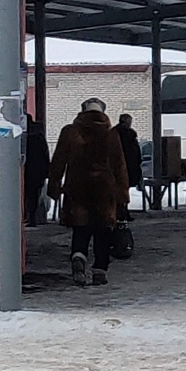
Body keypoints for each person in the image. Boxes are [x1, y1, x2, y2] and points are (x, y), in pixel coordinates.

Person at [46, 98, 128, 287]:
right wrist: (122, 193)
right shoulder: (111, 134)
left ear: (82, 111)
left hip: (77, 187)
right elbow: (120, 166)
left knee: (80, 228)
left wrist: (54, 186)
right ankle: (99, 270)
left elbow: (58, 160)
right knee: (103, 231)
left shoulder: (70, 132)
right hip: (104, 190)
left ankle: (79, 258)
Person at [23, 114, 51, 226]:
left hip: (29, 169)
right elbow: (45, 155)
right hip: (37, 170)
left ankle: (29, 217)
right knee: (34, 195)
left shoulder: (24, 138)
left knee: (28, 194)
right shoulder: (39, 136)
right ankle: (32, 217)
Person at [114, 113, 143, 220]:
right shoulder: (128, 134)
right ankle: (122, 212)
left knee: (121, 190)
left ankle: (122, 211)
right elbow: (135, 151)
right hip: (128, 166)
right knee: (123, 190)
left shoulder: (115, 133)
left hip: (124, 165)